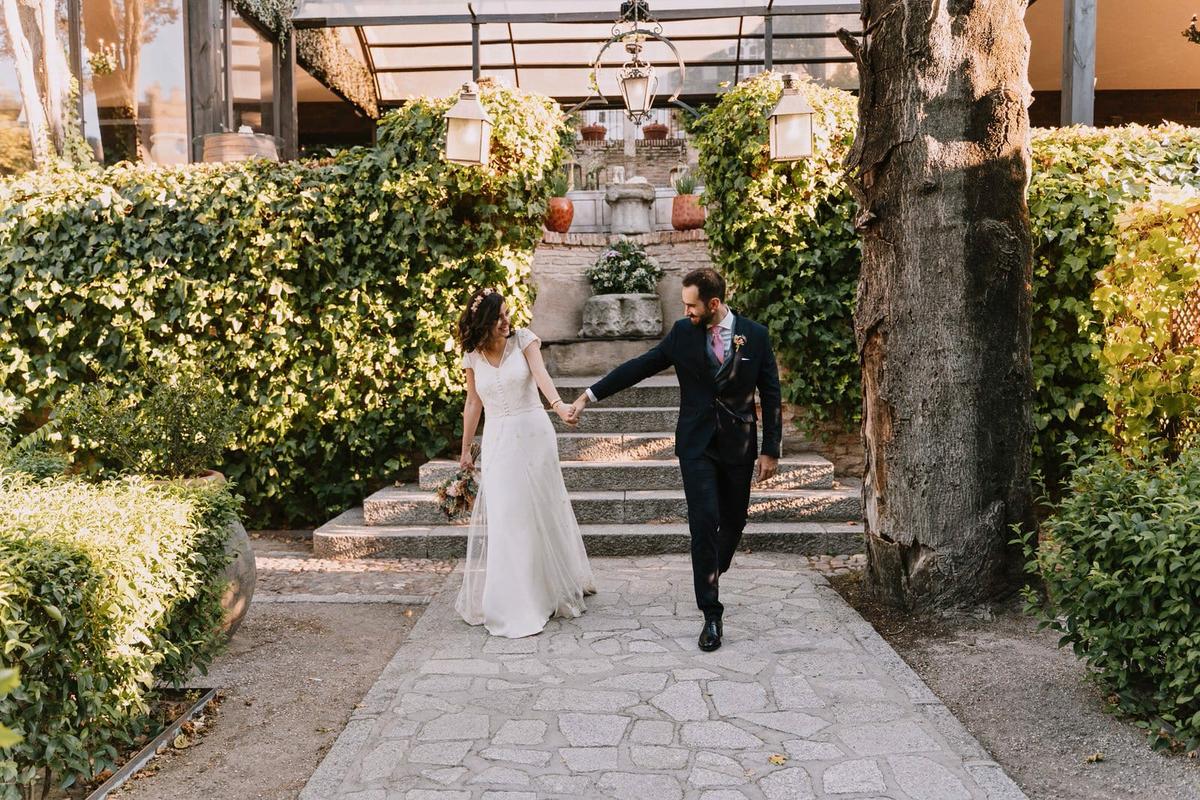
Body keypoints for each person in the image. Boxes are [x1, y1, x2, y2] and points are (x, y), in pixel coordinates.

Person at [568, 268, 782, 652]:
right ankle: (711, 614)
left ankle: (713, 566)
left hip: (739, 445)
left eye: (691, 305)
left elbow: (771, 393)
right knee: (704, 523)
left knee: (733, 522)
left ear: (714, 304)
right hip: (696, 446)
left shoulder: (757, 335)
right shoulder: (683, 335)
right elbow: (639, 367)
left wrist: (771, 449)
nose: (686, 312)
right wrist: (588, 396)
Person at [454, 287, 596, 638]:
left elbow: (542, 377)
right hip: (498, 438)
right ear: (483, 322)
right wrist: (466, 449)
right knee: (506, 515)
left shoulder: (525, 340)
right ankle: (511, 598)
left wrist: (560, 406)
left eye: (507, 313)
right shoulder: (472, 355)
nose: (507, 321)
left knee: (541, 510)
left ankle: (549, 587)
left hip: (533, 432)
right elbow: (473, 403)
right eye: (499, 316)